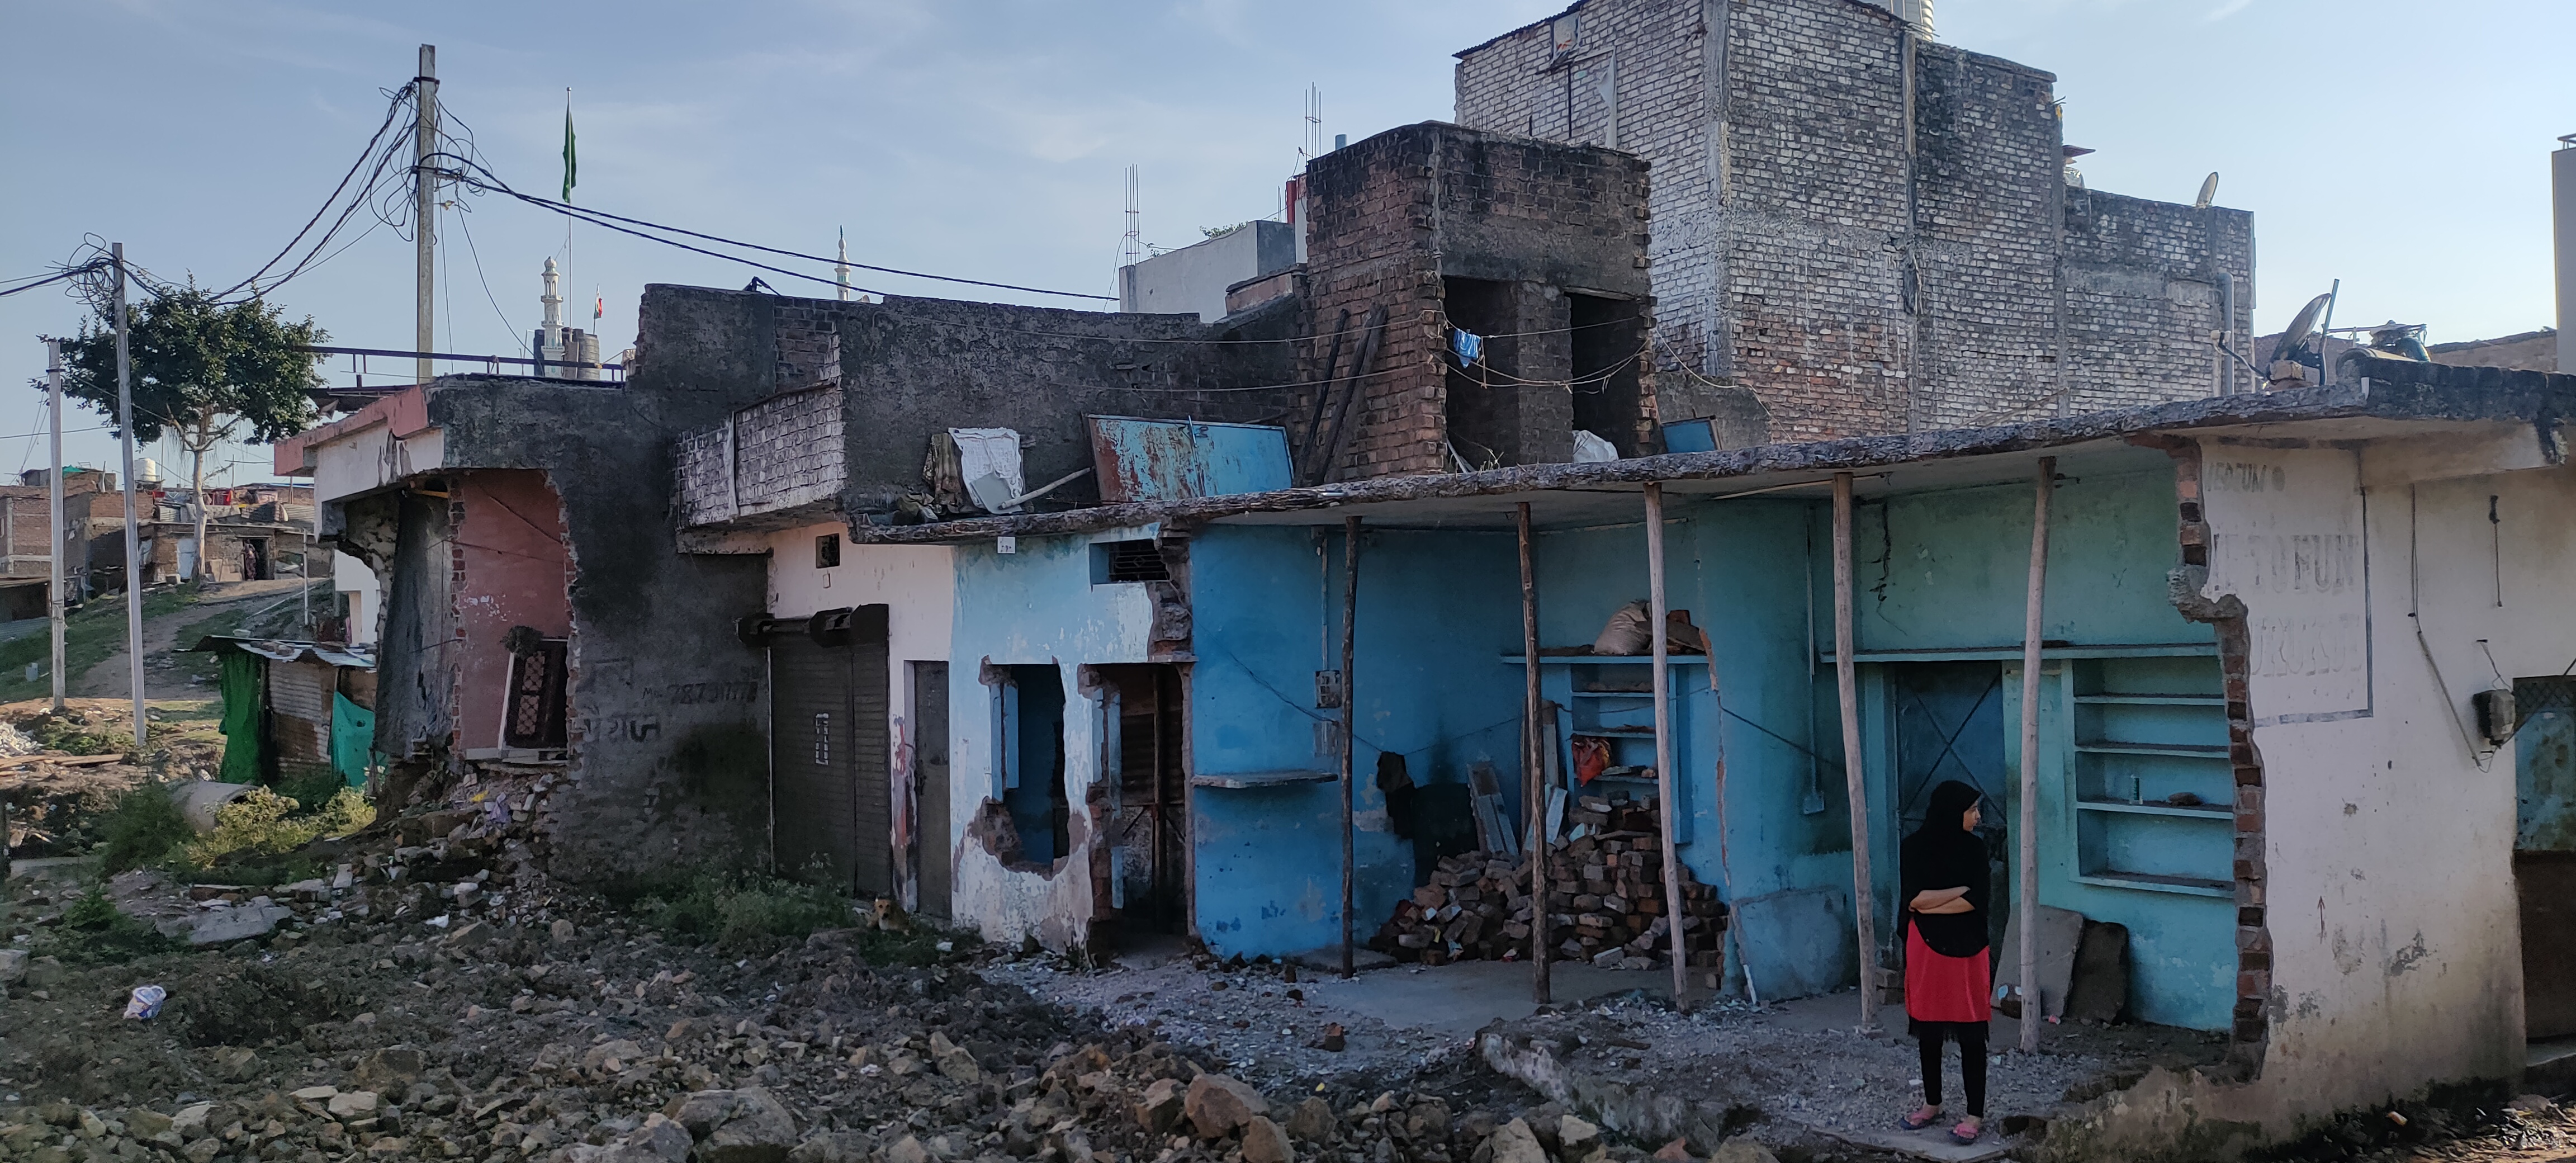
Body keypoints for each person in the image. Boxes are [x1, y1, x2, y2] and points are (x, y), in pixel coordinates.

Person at [1897, 779, 1994, 1144]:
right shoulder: (1914, 848)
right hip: (1926, 945)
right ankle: (1932, 1103)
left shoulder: (1975, 849)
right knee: (1928, 1029)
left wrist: (1935, 901)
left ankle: (1975, 1113)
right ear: (1953, 812)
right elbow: (1913, 900)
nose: (1978, 816)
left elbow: (1977, 901)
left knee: (1972, 1033)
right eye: (1973, 809)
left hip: (1968, 946)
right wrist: (1956, 894)